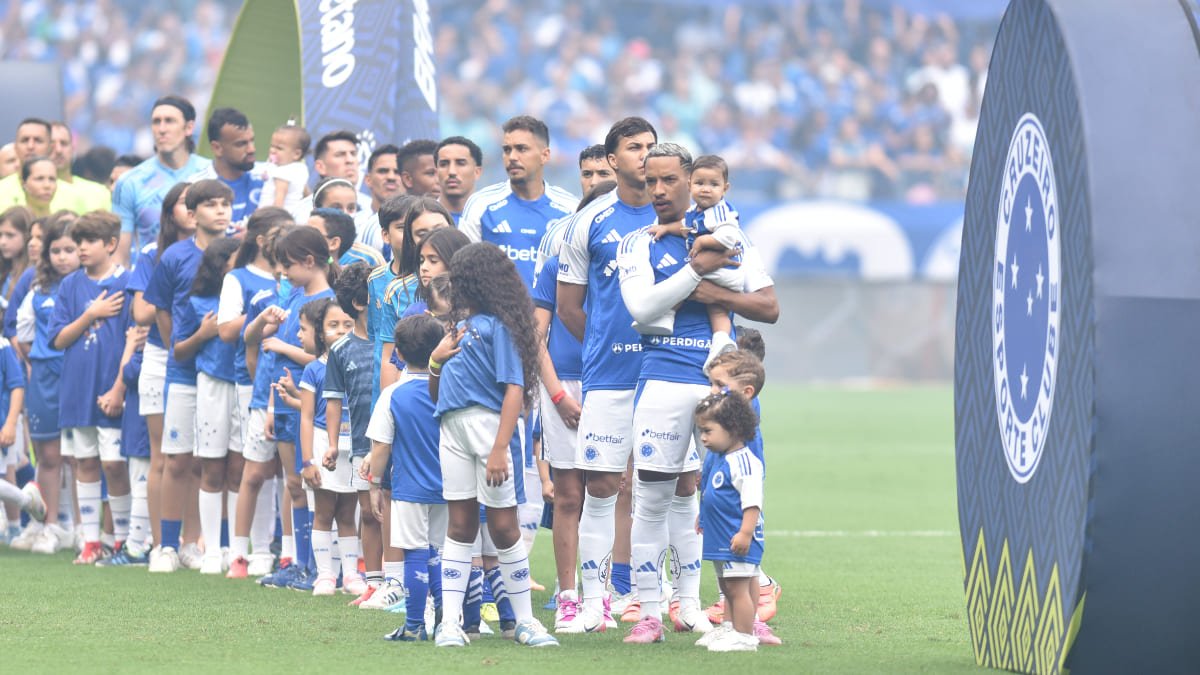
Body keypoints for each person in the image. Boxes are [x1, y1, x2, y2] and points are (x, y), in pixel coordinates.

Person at [616, 143, 779, 643]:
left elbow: (768, 306)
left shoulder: (728, 234)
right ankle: (649, 612)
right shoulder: (638, 242)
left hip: (722, 381)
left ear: (692, 180)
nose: (659, 191)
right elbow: (642, 311)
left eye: (669, 180)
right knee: (654, 498)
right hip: (663, 379)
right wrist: (694, 276)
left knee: (727, 495)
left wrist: (713, 295)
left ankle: (709, 611)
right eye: (650, 182)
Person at [555, 116, 659, 633]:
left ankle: (654, 600)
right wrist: (605, 344)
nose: (644, 155)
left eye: (650, 146)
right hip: (609, 379)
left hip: (667, 378)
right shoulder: (588, 222)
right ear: (612, 159)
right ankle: (593, 605)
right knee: (602, 486)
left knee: (668, 489)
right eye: (634, 147)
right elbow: (569, 307)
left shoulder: (677, 219)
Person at [427, 242, 557, 648]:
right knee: (460, 525)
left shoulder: (499, 327)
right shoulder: (456, 329)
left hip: (491, 431)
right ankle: (449, 622)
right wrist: (435, 359)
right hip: (452, 430)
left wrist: (501, 448)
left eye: (460, 278)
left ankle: (525, 621)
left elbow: (515, 388)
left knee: (504, 527)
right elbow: (437, 394)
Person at [531, 181, 612, 629]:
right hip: (563, 382)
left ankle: (609, 595)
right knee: (568, 495)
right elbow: (534, 335)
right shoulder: (557, 263)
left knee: (612, 489)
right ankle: (568, 597)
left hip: (613, 382)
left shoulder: (627, 267)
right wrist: (558, 395)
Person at [143, 179, 234, 573]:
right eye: (211, 205)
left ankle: (201, 545)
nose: (220, 211)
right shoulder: (175, 256)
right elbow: (161, 307)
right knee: (176, 459)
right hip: (182, 370)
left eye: (225, 204)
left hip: (226, 371)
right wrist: (182, 345)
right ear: (192, 214)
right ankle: (166, 544)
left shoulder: (240, 253)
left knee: (212, 461)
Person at [255, 226, 337, 589]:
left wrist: (283, 348)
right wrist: (273, 404)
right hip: (286, 402)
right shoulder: (292, 295)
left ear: (309, 261)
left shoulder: (330, 303)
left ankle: (322, 566)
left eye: (288, 264)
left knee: (314, 483)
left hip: (312, 406)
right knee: (293, 483)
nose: (283, 273)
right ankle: (299, 562)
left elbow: (325, 356)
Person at [47, 211, 131, 565]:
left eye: (88, 241)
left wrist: (119, 387)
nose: (81, 248)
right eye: (77, 242)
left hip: (111, 388)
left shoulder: (128, 284)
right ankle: (91, 540)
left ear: (110, 244)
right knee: (84, 462)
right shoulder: (70, 285)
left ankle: (124, 538)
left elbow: (134, 339)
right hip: (78, 388)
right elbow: (58, 339)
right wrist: (91, 313)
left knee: (113, 463)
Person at [222, 208, 294, 580]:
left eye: (291, 264)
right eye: (281, 264)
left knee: (289, 475)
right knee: (254, 473)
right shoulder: (259, 294)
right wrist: (259, 389)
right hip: (261, 397)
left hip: (295, 395)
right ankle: (242, 552)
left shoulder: (306, 298)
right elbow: (250, 348)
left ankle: (287, 552)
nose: (285, 272)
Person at [366, 313, 446, 641]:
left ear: (397, 351)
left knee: (415, 552)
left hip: (409, 489)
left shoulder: (392, 395)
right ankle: (447, 620)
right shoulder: (447, 390)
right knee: (442, 554)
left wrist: (374, 484)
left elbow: (381, 447)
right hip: (448, 486)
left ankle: (414, 625)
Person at [127, 181, 194, 564]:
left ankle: (193, 543)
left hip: (198, 353)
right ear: (170, 213)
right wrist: (174, 290)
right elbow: (139, 313)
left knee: (198, 457)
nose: (191, 209)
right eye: (184, 204)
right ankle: (161, 544)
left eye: (195, 203)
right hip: (158, 354)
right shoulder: (153, 254)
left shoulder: (217, 252)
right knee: (162, 455)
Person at [286, 298, 365, 596]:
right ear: (321, 333)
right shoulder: (313, 371)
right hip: (322, 444)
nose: (342, 331)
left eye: (348, 324)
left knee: (348, 513)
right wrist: (307, 461)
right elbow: (306, 418)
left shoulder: (359, 363)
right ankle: (324, 575)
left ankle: (351, 575)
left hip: (352, 445)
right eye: (333, 326)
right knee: (323, 511)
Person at [174, 237, 241, 574]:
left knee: (240, 468)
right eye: (236, 258)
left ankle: (235, 547)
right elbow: (179, 351)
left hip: (245, 382)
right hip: (212, 383)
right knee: (212, 467)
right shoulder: (199, 300)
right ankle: (212, 550)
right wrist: (202, 334)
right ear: (220, 264)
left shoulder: (251, 294)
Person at [13, 214, 78, 553]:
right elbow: (22, 334)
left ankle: (84, 529)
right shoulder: (37, 289)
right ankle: (50, 525)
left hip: (81, 376)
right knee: (49, 456)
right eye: (56, 250)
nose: (63, 256)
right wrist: (38, 358)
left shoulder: (93, 286)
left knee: (83, 455)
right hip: (45, 380)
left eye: (70, 249)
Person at [322, 262, 384, 603]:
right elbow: (333, 400)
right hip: (361, 444)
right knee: (370, 513)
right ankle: (373, 582)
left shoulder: (395, 339)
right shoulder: (341, 350)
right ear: (361, 303)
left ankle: (398, 580)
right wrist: (333, 444)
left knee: (394, 513)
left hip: (396, 445)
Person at [457, 116, 577, 290]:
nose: (512, 157)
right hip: (495, 316)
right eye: (507, 150)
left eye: (521, 149)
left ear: (545, 155)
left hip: (551, 316)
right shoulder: (480, 204)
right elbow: (464, 272)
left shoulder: (570, 209)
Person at [646, 154, 741, 369]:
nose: (706, 189)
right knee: (712, 306)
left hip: (724, 269)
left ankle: (718, 338)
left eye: (713, 184)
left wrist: (702, 242)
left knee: (689, 286)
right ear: (689, 185)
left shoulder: (720, 211)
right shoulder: (695, 211)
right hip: (712, 270)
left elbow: (729, 236)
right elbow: (685, 226)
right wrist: (666, 228)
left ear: (725, 188)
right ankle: (717, 338)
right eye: (700, 183)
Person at [692, 390, 765, 653]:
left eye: (708, 431)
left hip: (737, 538)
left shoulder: (745, 462)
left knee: (737, 588)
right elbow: (715, 495)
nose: (703, 437)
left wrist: (745, 533)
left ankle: (744, 636)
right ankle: (729, 627)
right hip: (722, 536)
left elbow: (752, 502)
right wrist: (704, 515)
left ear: (732, 428)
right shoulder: (723, 459)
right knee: (727, 586)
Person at [112, 96, 211, 263]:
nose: (161, 129)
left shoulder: (210, 173)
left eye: (169, 121)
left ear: (189, 127)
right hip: (149, 282)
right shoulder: (129, 182)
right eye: (156, 122)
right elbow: (120, 255)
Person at [378, 197, 454, 391]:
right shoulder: (399, 291)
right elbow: (390, 358)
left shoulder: (474, 292)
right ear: (411, 242)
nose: (431, 238)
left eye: (439, 229)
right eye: (421, 233)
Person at [192, 108, 265, 232]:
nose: (251, 149)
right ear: (217, 148)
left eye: (252, 140)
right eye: (241, 144)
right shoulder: (196, 186)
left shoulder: (269, 176)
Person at [289, 130, 369, 223]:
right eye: (340, 155)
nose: (350, 160)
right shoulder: (303, 213)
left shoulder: (371, 208)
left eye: (353, 154)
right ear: (320, 167)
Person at [49, 122, 111, 213]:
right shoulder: (32, 192)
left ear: (73, 148)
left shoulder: (99, 192)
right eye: (52, 144)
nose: (58, 150)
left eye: (64, 143)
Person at [355, 144, 402, 253]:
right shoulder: (354, 223)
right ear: (368, 180)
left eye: (397, 172)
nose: (391, 177)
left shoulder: (417, 223)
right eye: (383, 171)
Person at [259, 121, 311, 213]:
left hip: (272, 215)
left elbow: (279, 200)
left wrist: (273, 218)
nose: (272, 151)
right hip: (292, 215)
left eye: (279, 148)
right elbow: (307, 194)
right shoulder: (301, 169)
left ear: (296, 154)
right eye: (272, 146)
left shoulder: (282, 172)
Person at [309, 207, 382, 268]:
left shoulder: (348, 283)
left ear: (334, 243)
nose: (303, 236)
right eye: (304, 230)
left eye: (311, 233)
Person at [435, 136, 483, 223]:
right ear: (436, 172)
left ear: (477, 172)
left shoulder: (491, 218)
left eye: (460, 163)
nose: (451, 171)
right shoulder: (423, 218)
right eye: (444, 164)